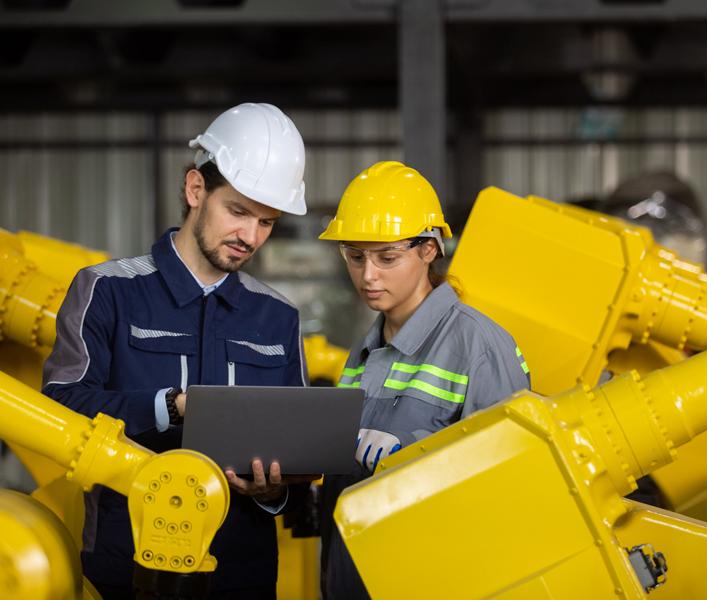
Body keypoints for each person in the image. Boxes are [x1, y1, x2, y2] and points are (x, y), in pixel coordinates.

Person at [42, 103, 309, 599]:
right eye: (239, 212)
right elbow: (61, 408)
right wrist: (169, 406)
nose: (250, 237)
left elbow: (293, 451)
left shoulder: (278, 318)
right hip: (129, 572)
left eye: (267, 222)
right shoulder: (108, 292)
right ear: (195, 190)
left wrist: (274, 492)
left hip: (242, 577)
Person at [317, 160, 532, 599]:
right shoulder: (365, 350)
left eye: (387, 257)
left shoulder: (479, 346)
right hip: (352, 576)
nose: (368, 275)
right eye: (355, 257)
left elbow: (508, 490)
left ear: (429, 249)